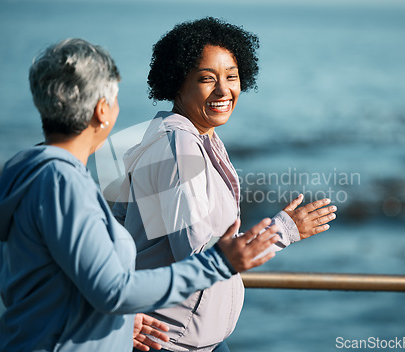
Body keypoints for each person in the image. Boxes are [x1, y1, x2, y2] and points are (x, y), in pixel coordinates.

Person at [0, 38, 283, 352]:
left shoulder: (36, 172)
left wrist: (122, 318)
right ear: (102, 110)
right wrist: (219, 263)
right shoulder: (61, 184)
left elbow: (52, 273)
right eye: (116, 98)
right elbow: (114, 290)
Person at [113, 17, 337, 352]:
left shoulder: (190, 138)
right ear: (177, 82)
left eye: (232, 76)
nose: (224, 90)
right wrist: (285, 230)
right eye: (207, 78)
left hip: (191, 338)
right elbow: (201, 256)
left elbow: (117, 229)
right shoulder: (179, 148)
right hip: (169, 342)